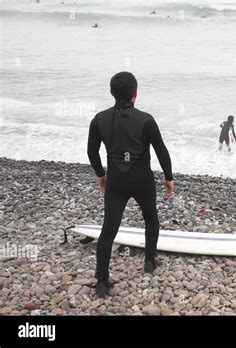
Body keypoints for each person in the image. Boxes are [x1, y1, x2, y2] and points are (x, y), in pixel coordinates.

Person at [87, 72, 174, 298]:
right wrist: (168, 177)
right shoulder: (146, 120)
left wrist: (100, 174)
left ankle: (102, 281)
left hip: (116, 181)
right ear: (135, 94)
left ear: (111, 92)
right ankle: (149, 261)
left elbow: (91, 151)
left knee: (109, 229)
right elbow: (161, 151)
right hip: (142, 180)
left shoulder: (99, 119)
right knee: (151, 218)